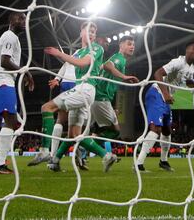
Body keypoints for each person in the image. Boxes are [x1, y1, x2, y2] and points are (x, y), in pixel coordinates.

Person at [39, 22, 131, 172]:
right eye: (88, 31)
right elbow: (72, 64)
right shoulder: (78, 52)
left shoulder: (96, 48)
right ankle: (59, 160)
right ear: (81, 32)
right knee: (74, 134)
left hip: (85, 89)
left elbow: (83, 64)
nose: (91, 34)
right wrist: (58, 78)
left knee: (48, 108)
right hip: (80, 88)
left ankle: (45, 151)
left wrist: (59, 54)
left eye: (94, 32)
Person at [135, 43, 194, 172]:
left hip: (165, 98)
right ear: (187, 51)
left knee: (167, 130)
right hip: (156, 93)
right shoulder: (177, 62)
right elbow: (158, 74)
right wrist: (166, 94)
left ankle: (163, 161)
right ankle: (138, 164)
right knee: (156, 128)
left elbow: (188, 82)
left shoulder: (191, 68)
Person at [0, 12, 34, 174]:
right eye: (20, 18)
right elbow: (4, 61)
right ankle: (0, 164)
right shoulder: (10, 36)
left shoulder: (10, 37)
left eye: (25, 19)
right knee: (10, 120)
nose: (23, 21)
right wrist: (26, 72)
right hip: (2, 81)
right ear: (11, 21)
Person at [29, 47, 79, 167]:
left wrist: (57, 79)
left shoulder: (76, 53)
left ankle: (53, 156)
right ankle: (77, 156)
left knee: (61, 120)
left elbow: (65, 65)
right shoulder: (89, 52)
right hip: (77, 84)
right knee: (76, 124)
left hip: (66, 83)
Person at [89, 36, 138, 154]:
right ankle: (87, 148)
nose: (132, 47)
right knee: (115, 131)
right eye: (129, 44)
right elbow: (108, 66)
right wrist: (124, 77)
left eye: (133, 45)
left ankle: (89, 149)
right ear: (121, 46)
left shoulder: (121, 60)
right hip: (100, 97)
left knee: (98, 130)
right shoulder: (119, 59)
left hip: (100, 97)